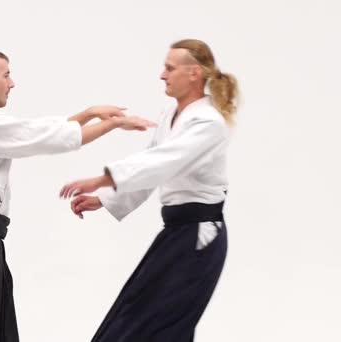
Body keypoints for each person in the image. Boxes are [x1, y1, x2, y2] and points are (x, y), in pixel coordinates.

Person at [0, 48, 156, 342]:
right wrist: (111, 124)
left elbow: (34, 131)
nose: (12, 83)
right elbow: (41, 138)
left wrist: (88, 114)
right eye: (6, 75)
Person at [60, 39, 239, 341]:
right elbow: (150, 165)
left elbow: (163, 163)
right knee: (132, 316)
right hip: (176, 233)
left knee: (164, 325)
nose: (162, 75)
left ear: (194, 73)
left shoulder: (209, 122)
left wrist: (104, 179)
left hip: (199, 236)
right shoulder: (171, 115)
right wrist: (103, 199)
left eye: (170, 68)